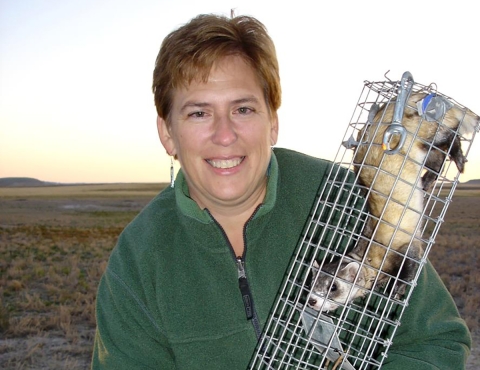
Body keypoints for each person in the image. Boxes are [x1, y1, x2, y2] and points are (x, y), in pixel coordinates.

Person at [91, 13, 471, 369]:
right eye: (198, 113)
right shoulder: (139, 262)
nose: (225, 135)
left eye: (243, 110)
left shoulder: (348, 198)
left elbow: (437, 341)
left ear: (272, 122)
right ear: (167, 133)